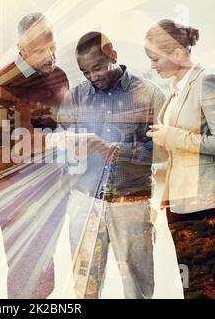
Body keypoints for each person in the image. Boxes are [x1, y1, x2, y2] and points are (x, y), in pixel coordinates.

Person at [53, 31, 166, 299]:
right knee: (85, 290)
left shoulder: (149, 94)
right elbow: (59, 145)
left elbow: (164, 153)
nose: (93, 77)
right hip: (84, 203)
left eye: (98, 67)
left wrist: (116, 151)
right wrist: (67, 148)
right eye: (85, 72)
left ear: (113, 56)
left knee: (137, 288)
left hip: (132, 203)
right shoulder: (76, 97)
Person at [145, 19, 215, 299]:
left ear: (177, 54)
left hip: (209, 203)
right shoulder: (176, 89)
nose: (152, 65)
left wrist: (172, 136)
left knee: (205, 292)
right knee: (190, 290)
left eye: (155, 58)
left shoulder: (209, 82)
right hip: (181, 203)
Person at [0, 13, 70, 299]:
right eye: (39, 51)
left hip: (53, 188)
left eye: (51, 46)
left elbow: (68, 122)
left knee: (45, 275)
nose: (49, 55)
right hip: (17, 194)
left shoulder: (59, 76)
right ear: (22, 50)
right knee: (25, 274)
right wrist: (54, 139)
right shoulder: (1, 85)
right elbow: (4, 145)